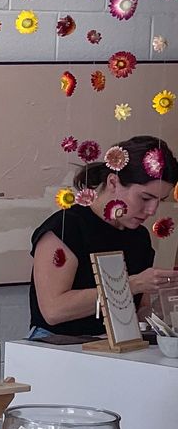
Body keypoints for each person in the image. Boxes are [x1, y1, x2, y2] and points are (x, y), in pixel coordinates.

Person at [29, 135, 178, 339]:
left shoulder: (139, 236)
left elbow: (139, 311)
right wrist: (132, 284)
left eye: (159, 200)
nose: (152, 210)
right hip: (57, 347)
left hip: (116, 346)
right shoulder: (65, 228)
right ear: (113, 182)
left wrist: (164, 305)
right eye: (145, 198)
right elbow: (54, 311)